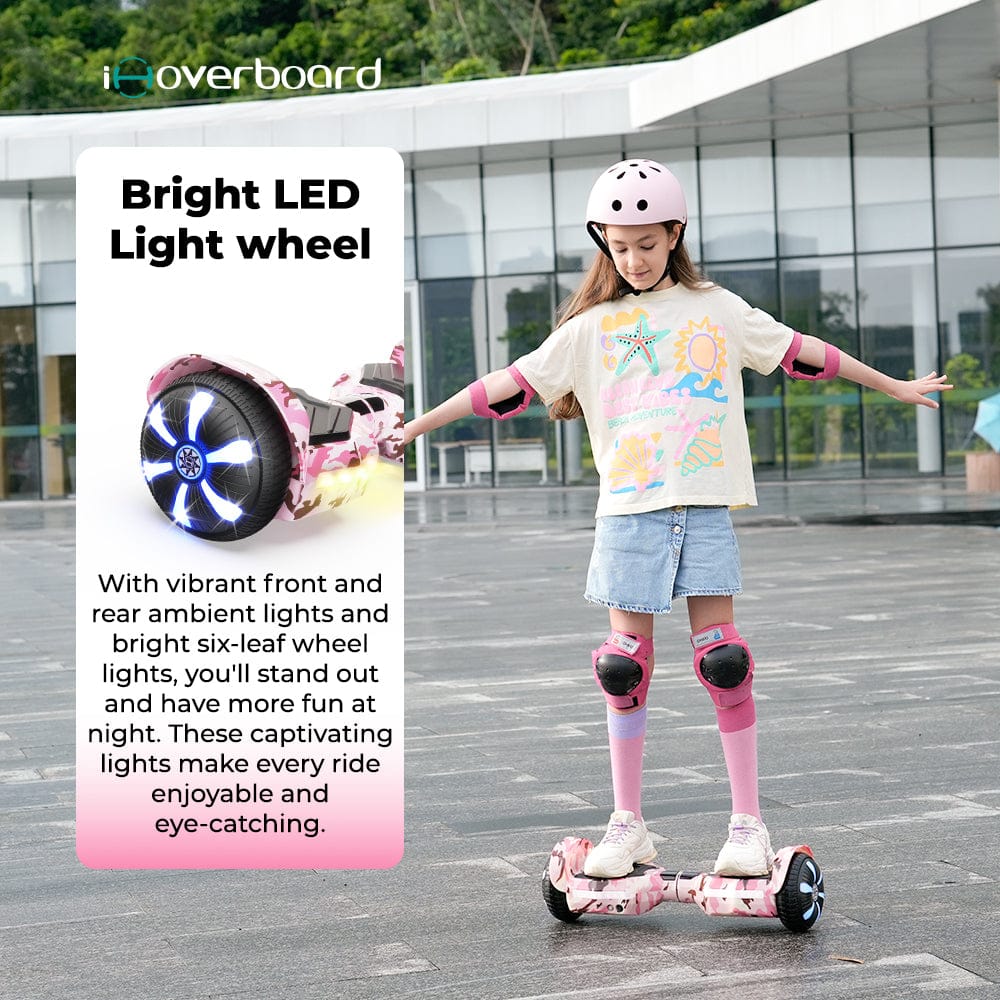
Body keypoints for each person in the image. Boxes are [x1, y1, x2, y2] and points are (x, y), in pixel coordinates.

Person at [403, 158, 951, 880]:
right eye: (619, 245)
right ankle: (627, 825)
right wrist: (408, 431)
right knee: (621, 668)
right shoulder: (590, 329)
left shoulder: (717, 310)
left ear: (675, 233)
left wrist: (894, 386)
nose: (632, 258)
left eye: (647, 244)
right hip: (627, 514)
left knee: (723, 661)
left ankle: (748, 826)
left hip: (700, 504)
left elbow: (805, 353)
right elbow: (499, 389)